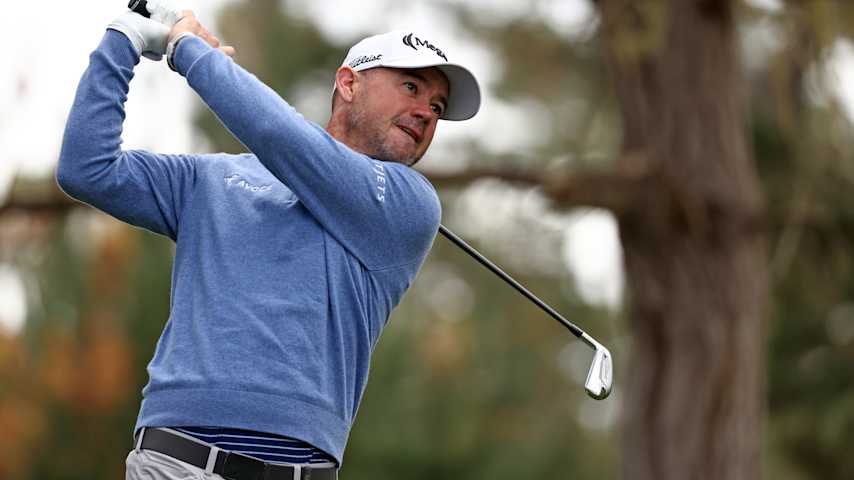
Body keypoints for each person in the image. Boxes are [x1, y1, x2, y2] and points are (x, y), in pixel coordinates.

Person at [57, 2, 480, 479]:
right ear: (348, 83)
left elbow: (281, 134)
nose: (426, 112)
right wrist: (124, 40)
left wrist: (189, 51)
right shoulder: (212, 179)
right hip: (177, 462)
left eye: (438, 107)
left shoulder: (408, 205)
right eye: (411, 87)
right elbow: (88, 169)